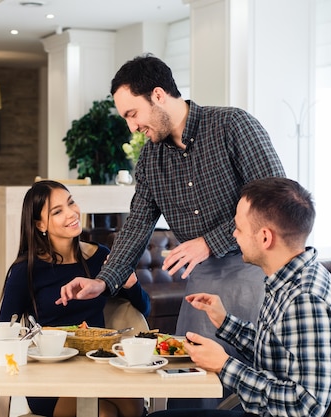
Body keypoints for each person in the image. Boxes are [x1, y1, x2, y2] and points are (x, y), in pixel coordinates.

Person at [57, 54, 286, 406]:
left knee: (247, 384)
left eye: (133, 114)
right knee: (187, 383)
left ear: (159, 95)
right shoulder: (150, 160)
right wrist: (103, 281)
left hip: (257, 271)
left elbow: (275, 198)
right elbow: (136, 224)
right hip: (203, 280)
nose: (131, 127)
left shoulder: (233, 125)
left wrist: (209, 242)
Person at [150, 177, 331, 417]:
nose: (234, 235)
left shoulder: (306, 299)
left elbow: (307, 406)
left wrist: (224, 365)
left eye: (238, 228)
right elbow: (277, 353)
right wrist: (226, 322)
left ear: (265, 238)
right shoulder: (289, 279)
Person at [0, 180, 150, 417]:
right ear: (40, 224)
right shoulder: (26, 269)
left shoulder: (100, 256)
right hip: (52, 373)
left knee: (134, 406)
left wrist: (131, 283)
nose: (71, 214)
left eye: (71, 203)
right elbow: (4, 330)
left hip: (97, 363)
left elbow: (144, 309)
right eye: (57, 211)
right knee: (104, 413)